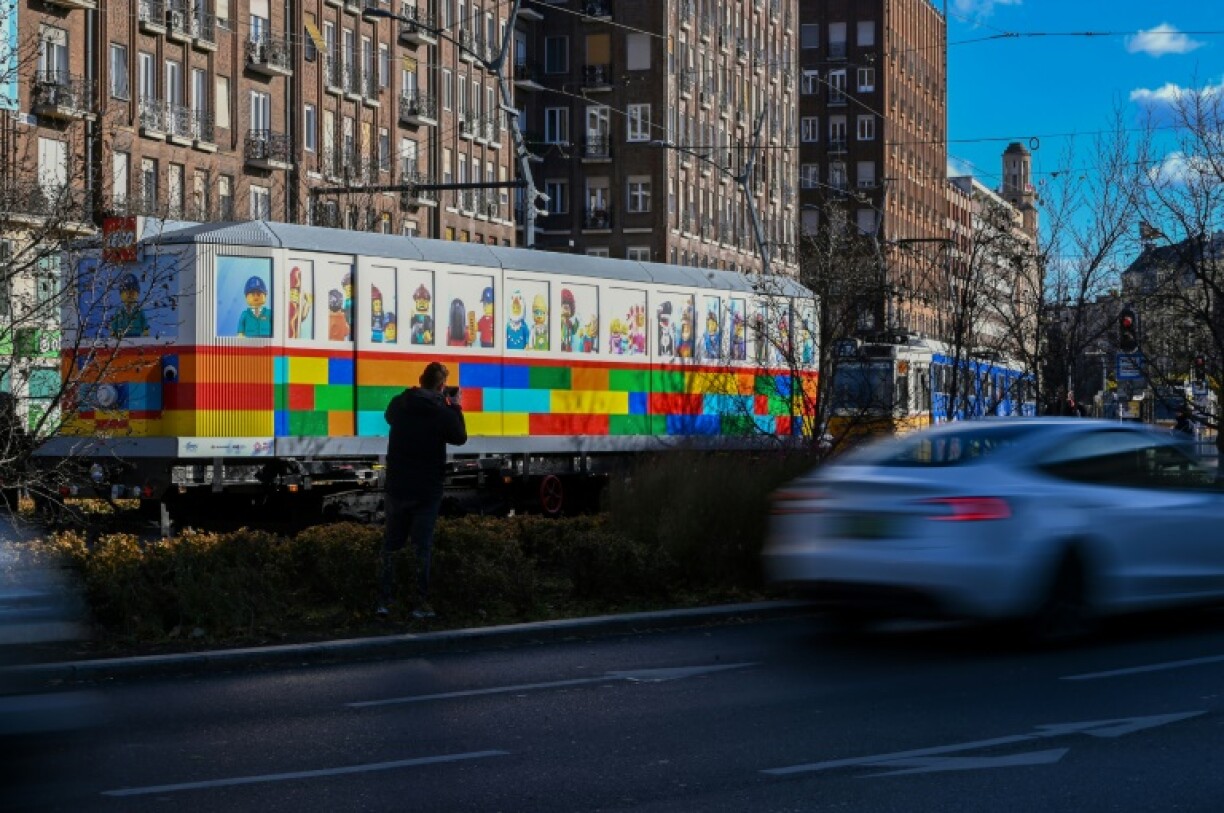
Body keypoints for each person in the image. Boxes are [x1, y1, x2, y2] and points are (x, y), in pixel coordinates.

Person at [379, 361, 467, 619]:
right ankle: (418, 604)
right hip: (427, 489)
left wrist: (412, 394)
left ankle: (384, 602)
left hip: (397, 485)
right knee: (422, 547)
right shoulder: (443, 412)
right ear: (442, 386)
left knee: (391, 545)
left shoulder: (400, 404)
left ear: (420, 379)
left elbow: (388, 416)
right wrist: (455, 404)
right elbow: (460, 437)